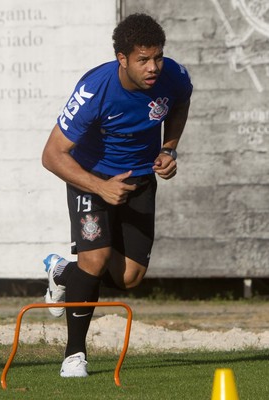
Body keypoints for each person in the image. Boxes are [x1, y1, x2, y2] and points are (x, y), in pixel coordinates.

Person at [42, 13, 192, 378]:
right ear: (121, 59)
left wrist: (169, 149)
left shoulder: (175, 76)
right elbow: (51, 155)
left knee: (130, 278)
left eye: (157, 56)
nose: (153, 67)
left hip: (139, 180)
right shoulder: (95, 91)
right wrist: (100, 187)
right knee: (95, 260)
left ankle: (63, 273)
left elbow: (181, 104)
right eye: (143, 59)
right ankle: (74, 355)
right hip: (90, 179)